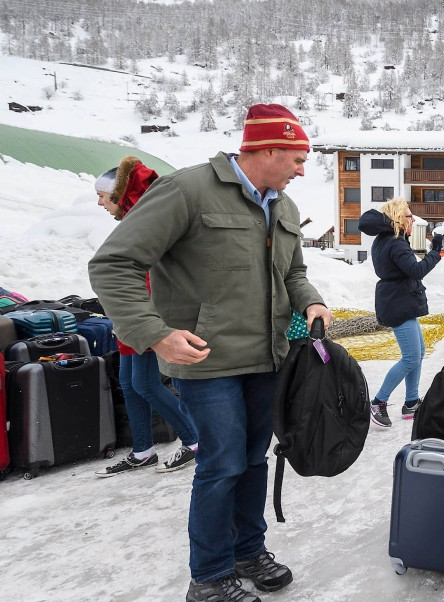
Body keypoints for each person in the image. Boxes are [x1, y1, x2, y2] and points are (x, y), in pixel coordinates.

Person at [89, 104, 333, 602]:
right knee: (221, 464)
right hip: (207, 361)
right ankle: (210, 575)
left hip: (267, 359)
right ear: (266, 150)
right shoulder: (188, 189)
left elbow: (293, 274)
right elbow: (113, 263)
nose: (302, 170)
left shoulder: (283, 208)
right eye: (296, 159)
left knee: (253, 460)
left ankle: (249, 550)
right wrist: (155, 333)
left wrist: (312, 302)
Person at [92, 157, 201, 477]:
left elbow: (151, 274)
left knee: (145, 384)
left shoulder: (143, 218)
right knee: (129, 383)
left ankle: (194, 440)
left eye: (102, 195)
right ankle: (142, 450)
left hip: (146, 317)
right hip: (131, 319)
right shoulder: (132, 219)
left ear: (118, 193)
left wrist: (144, 320)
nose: (98, 202)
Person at [358, 199, 443, 427]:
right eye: (408, 215)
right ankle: (378, 402)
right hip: (398, 303)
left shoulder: (386, 240)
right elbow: (416, 270)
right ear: (397, 218)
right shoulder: (395, 243)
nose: (413, 219)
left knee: (419, 352)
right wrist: (435, 251)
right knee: (410, 357)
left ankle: (411, 402)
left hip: (400, 300)